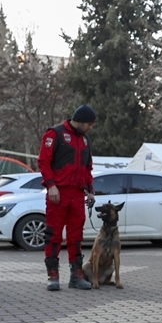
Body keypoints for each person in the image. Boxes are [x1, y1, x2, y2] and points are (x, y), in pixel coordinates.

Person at [39, 104, 97, 291]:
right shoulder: (54, 134)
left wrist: (90, 190)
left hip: (77, 195)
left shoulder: (85, 140)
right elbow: (43, 162)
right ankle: (53, 275)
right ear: (79, 121)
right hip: (58, 194)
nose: (91, 128)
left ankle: (76, 275)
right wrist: (51, 186)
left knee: (76, 236)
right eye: (89, 124)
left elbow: (87, 168)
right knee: (53, 235)